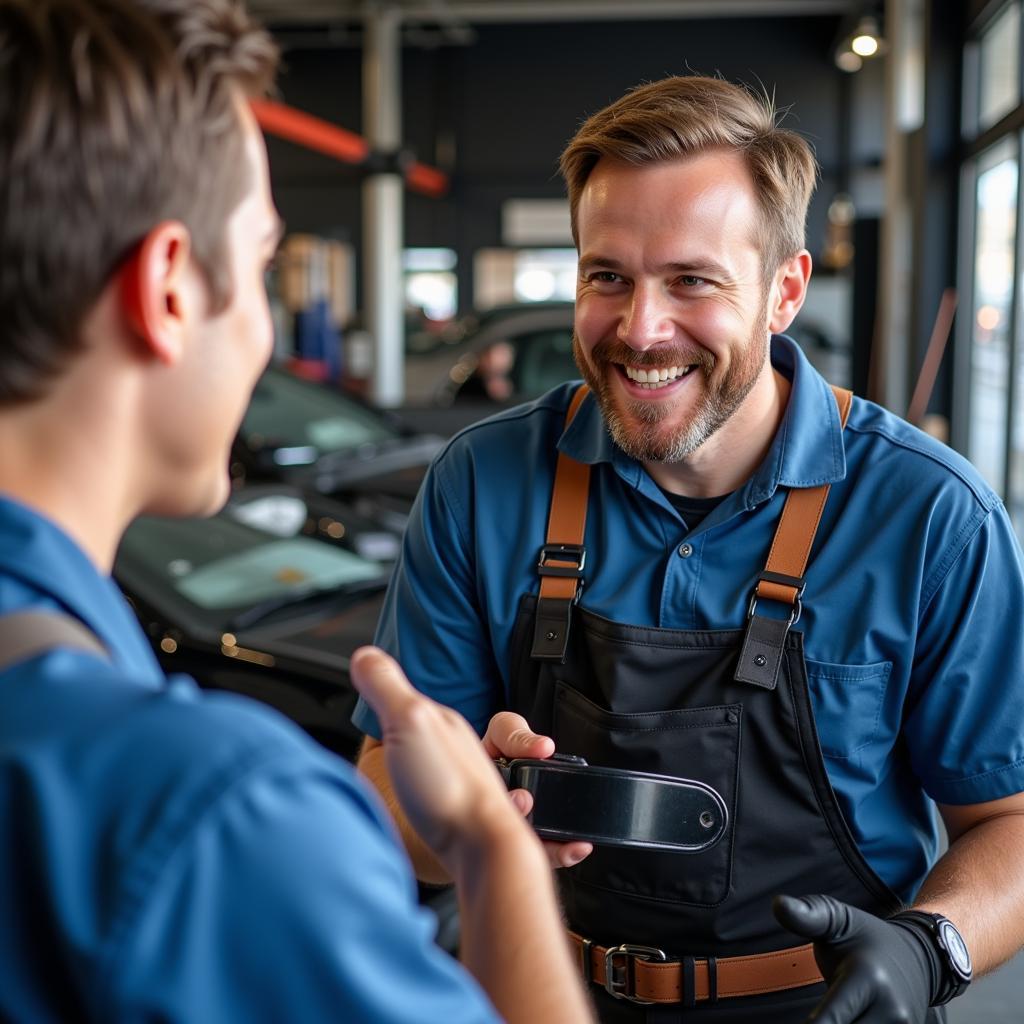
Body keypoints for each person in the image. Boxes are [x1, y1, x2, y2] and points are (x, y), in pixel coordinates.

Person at [356, 75, 1024, 1023]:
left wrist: (930, 949)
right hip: (542, 992)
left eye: (693, 281)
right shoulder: (482, 482)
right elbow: (383, 786)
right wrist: (466, 817)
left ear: (784, 290)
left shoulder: (930, 516)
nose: (640, 330)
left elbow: (1010, 820)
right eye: (608, 277)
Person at [0, 2, 594, 1022]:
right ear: (171, 288)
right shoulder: (212, 812)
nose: (266, 331)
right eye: (265, 265)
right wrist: (495, 857)